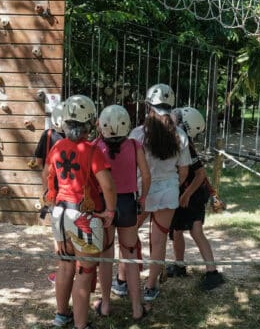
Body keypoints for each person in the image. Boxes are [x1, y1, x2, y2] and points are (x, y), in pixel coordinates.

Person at [45, 95, 117, 329]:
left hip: (59, 213)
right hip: (83, 217)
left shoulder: (56, 147)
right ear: (89, 123)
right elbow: (107, 185)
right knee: (84, 272)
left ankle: (61, 315)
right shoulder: (92, 151)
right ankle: (80, 325)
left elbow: (47, 177)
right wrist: (110, 210)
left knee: (65, 266)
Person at [126, 83, 191, 302]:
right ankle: (151, 286)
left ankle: (122, 279)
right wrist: (173, 186)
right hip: (168, 192)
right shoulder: (180, 135)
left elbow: (129, 167)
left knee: (128, 235)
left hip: (142, 192)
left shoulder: (137, 134)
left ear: (148, 106)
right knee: (159, 240)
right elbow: (184, 171)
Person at [93, 105, 151, 320]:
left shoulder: (95, 146)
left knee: (105, 256)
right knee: (130, 256)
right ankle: (137, 308)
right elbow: (146, 175)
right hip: (128, 203)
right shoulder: (135, 145)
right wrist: (143, 198)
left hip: (103, 206)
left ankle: (106, 304)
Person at [167, 106, 225, 290]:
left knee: (195, 230)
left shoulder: (187, 147)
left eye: (175, 121)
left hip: (194, 194)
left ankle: (212, 272)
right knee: (176, 230)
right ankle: (179, 265)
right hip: (182, 193)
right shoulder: (178, 143)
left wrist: (186, 194)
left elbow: (200, 175)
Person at [33, 101, 65, 284]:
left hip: (53, 189)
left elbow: (38, 161)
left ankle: (62, 270)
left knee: (58, 231)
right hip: (73, 190)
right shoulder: (75, 136)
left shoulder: (48, 135)